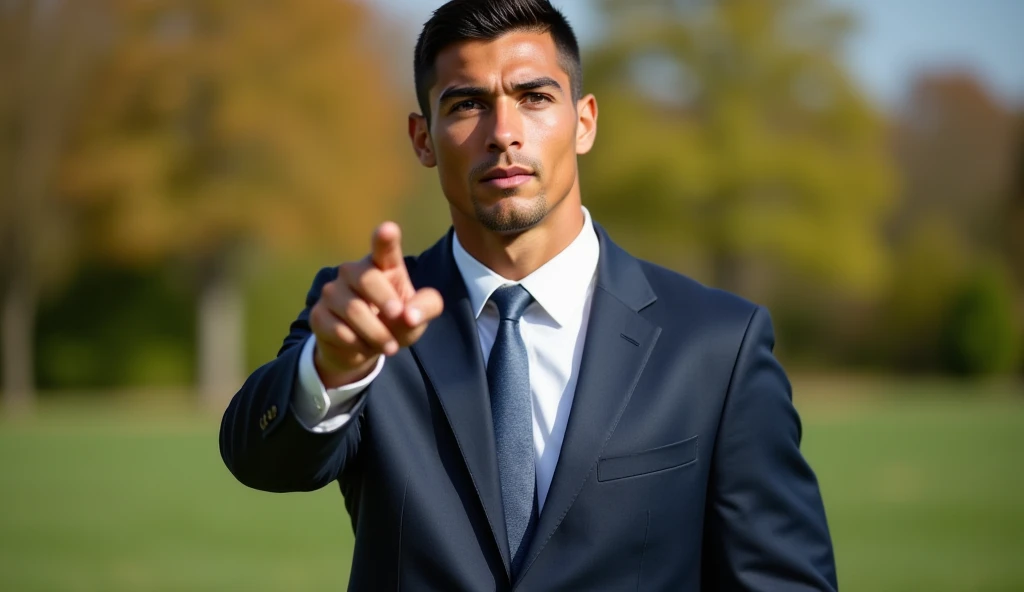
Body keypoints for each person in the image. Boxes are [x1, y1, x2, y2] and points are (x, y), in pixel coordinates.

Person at [219, 0, 838, 589]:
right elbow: (262, 462)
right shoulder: (366, 318)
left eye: (535, 97)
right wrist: (332, 370)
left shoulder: (717, 344)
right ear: (423, 139)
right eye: (466, 105)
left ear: (584, 121)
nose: (504, 132)